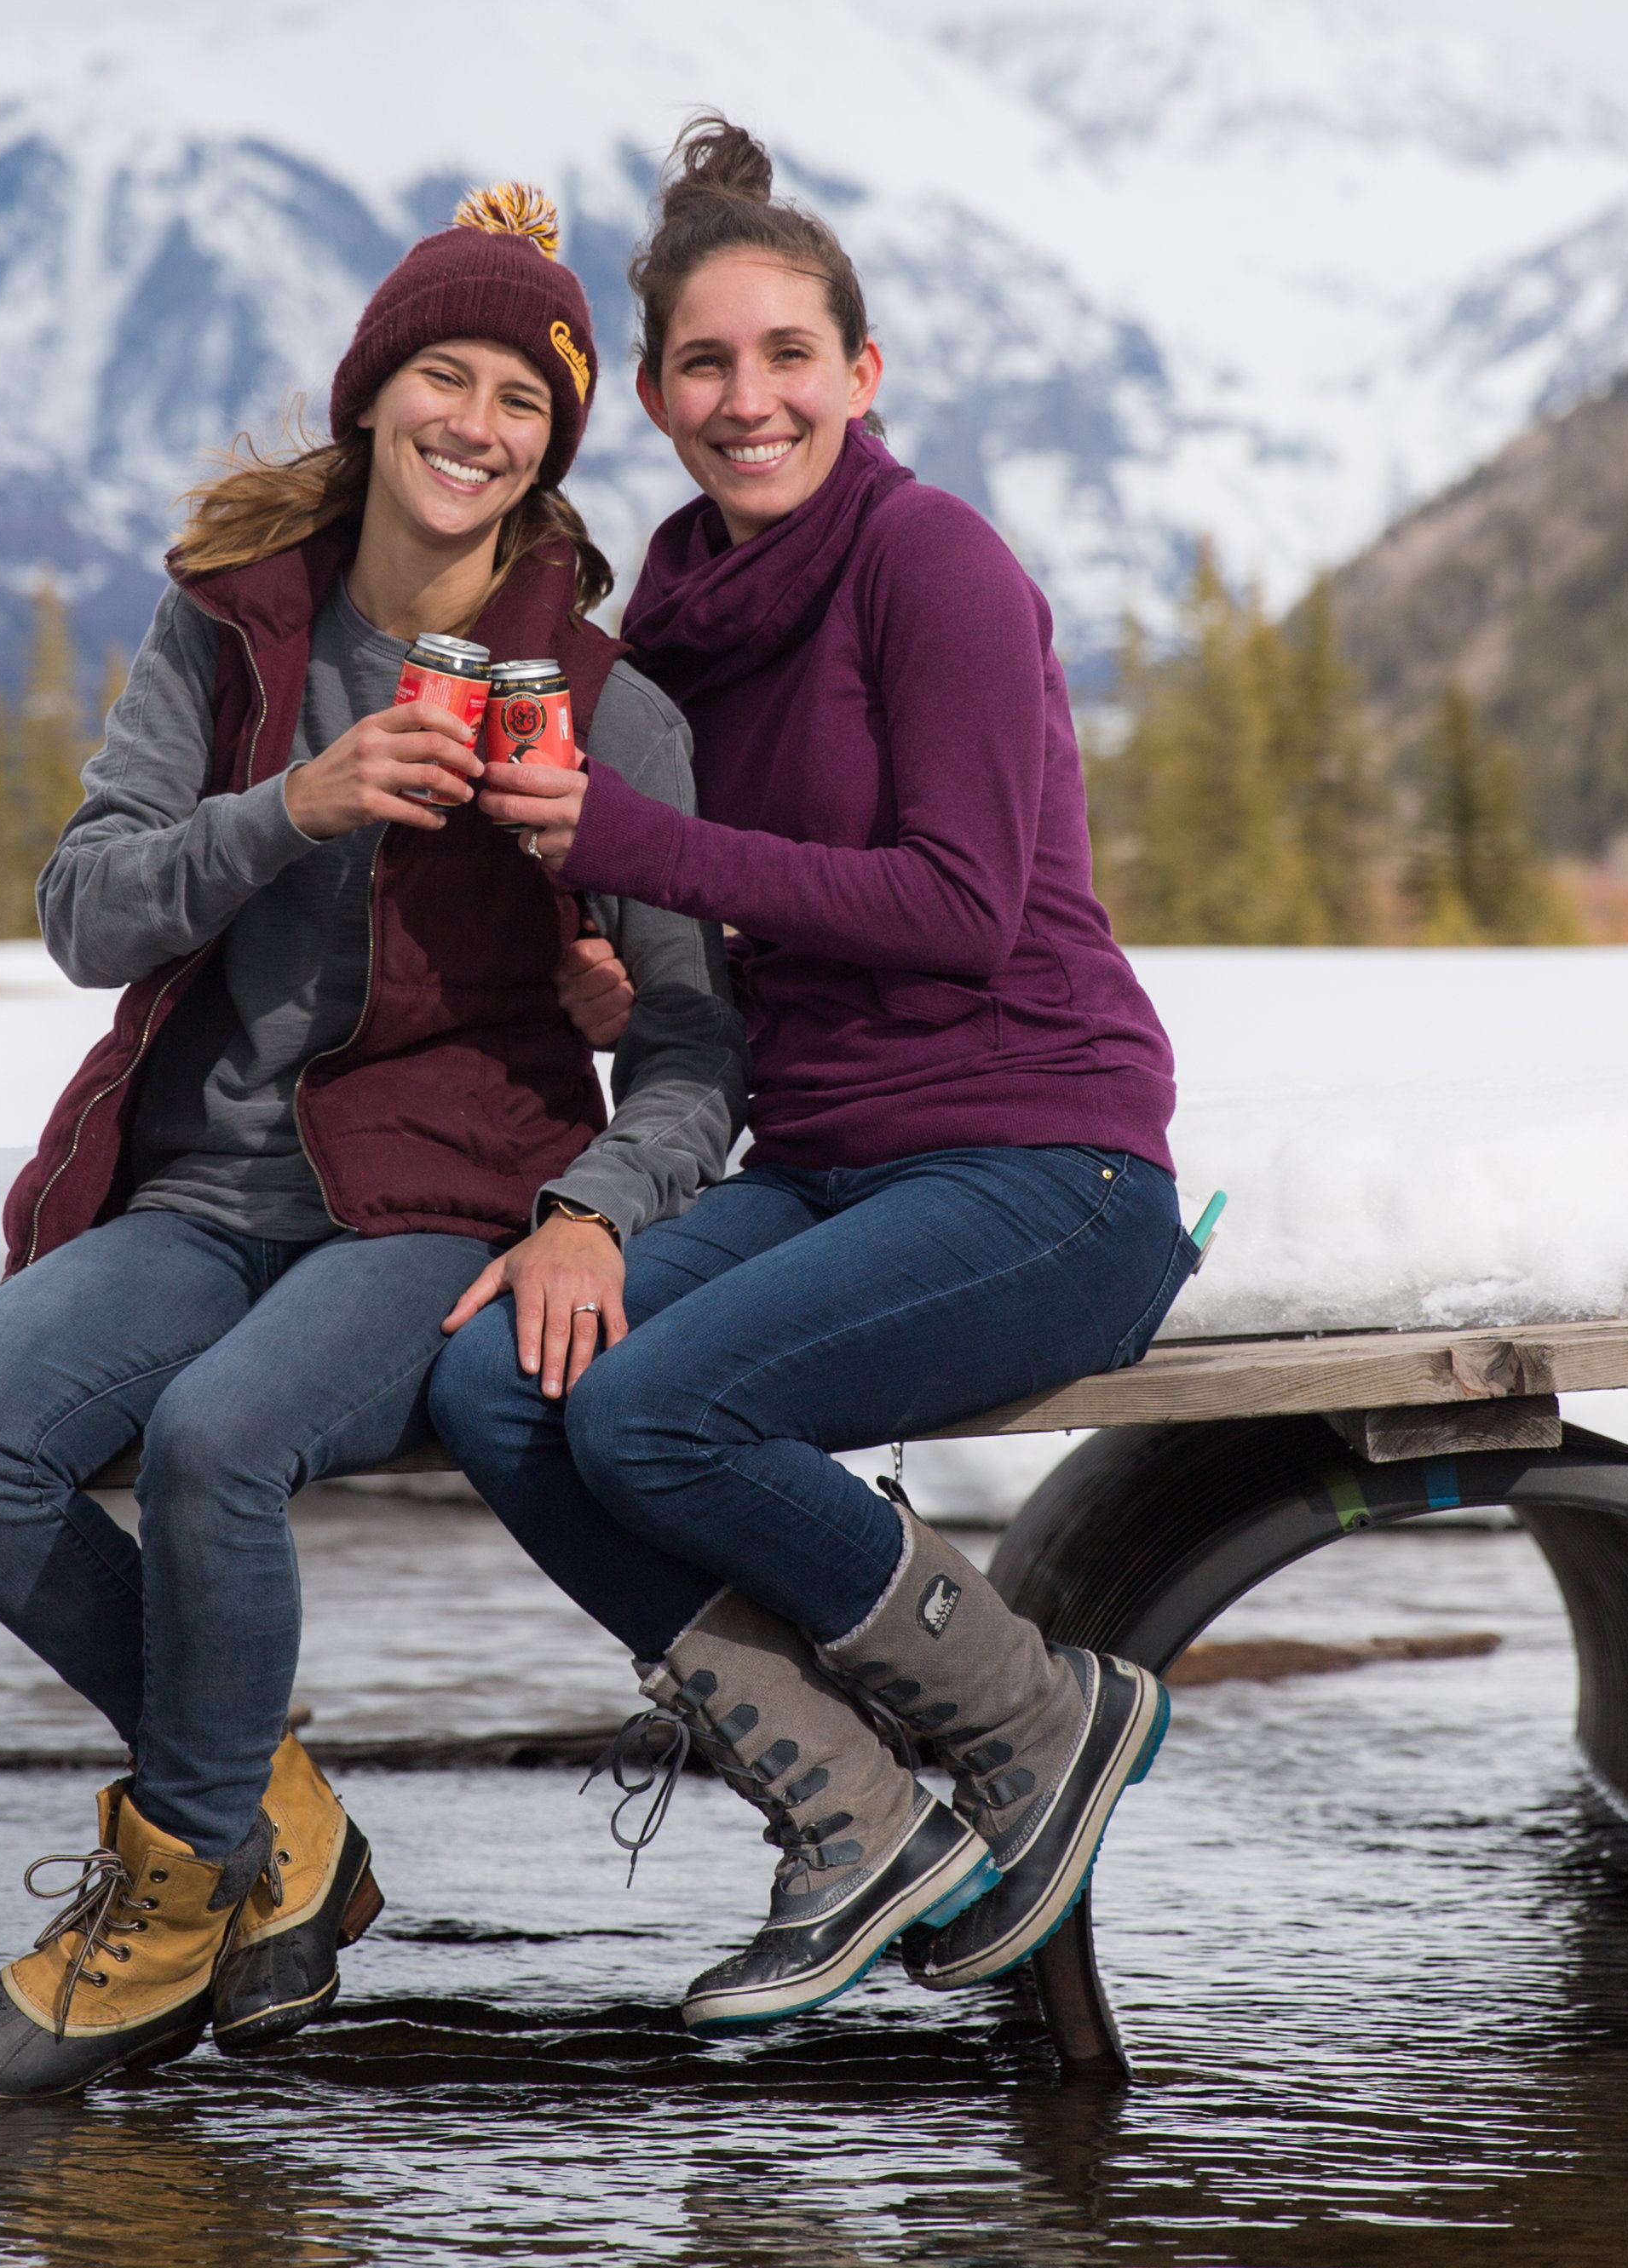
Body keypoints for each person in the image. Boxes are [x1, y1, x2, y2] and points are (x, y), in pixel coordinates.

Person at [0, 185, 746, 2105]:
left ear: (549, 447)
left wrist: (595, 1206)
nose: (476, 423)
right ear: (370, 403)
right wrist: (291, 806)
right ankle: (276, 1818)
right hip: (197, 1193)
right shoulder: (225, 641)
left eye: (520, 400)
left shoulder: (613, 714)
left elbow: (692, 1056)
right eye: (440, 375)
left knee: (214, 1440)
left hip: (434, 1209)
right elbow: (85, 909)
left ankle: (169, 1907)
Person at [430, 120, 1197, 2035]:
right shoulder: (673, 622)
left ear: (861, 375)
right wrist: (621, 976)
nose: (745, 396)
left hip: (1043, 1165)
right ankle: (852, 1813)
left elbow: (952, 908)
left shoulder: (929, 563)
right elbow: (751, 927)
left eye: (787, 356)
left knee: (657, 1418)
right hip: (830, 1160)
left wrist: (643, 843)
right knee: (496, 1380)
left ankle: (1035, 1716)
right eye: (703, 363)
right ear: (658, 402)